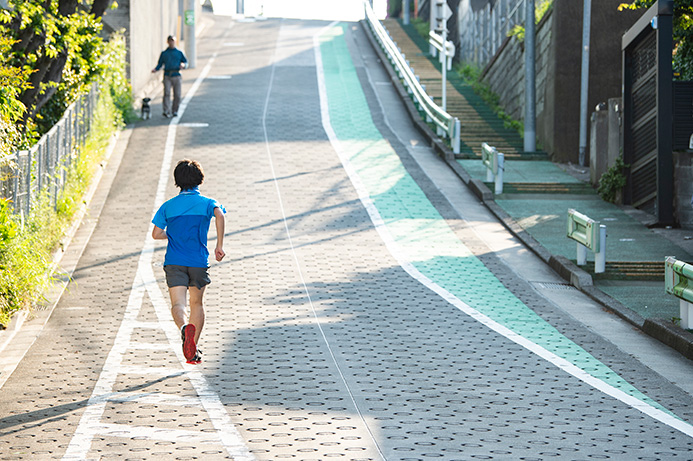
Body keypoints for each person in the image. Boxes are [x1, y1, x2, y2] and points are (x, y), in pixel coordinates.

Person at [152, 159, 226, 364]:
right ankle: (192, 349)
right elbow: (219, 215)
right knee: (197, 304)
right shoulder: (208, 203)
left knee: (178, 304)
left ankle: (185, 329)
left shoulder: (168, 206)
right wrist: (219, 245)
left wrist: (172, 235)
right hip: (198, 262)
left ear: (178, 181)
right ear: (199, 180)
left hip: (174, 261)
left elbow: (156, 234)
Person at [152, 35, 188, 118]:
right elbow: (160, 64)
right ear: (168, 42)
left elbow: (185, 62)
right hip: (167, 75)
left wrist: (183, 65)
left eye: (173, 41)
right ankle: (166, 110)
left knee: (177, 94)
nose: (172, 42)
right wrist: (155, 69)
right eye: (170, 41)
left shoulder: (179, 53)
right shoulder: (164, 53)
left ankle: (175, 110)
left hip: (177, 75)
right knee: (167, 93)